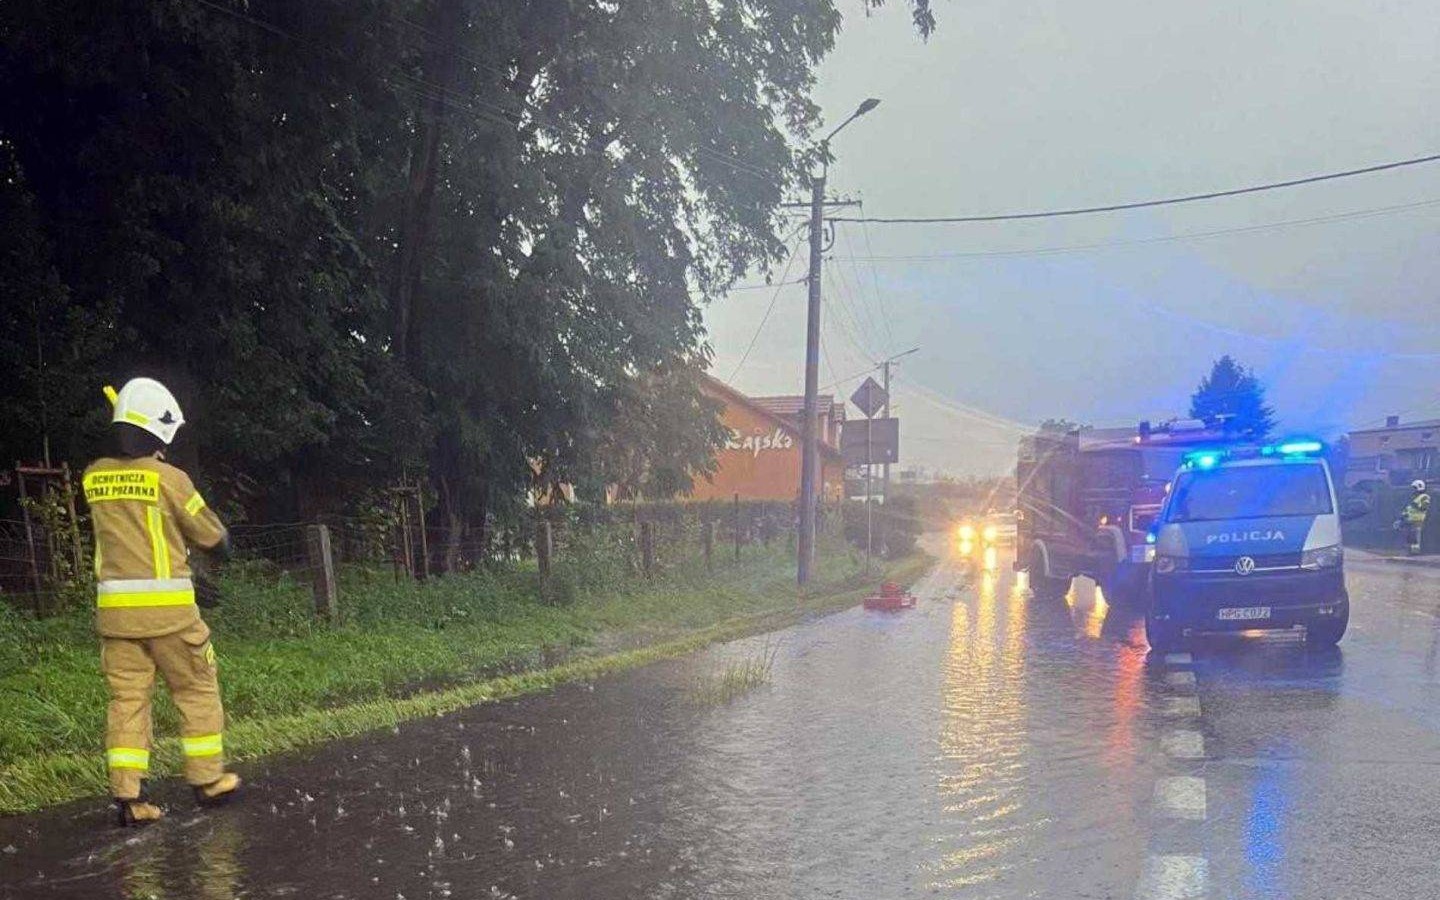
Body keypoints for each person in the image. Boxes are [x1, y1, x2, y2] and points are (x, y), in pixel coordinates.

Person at [82, 377, 240, 826]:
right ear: (160, 432)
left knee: (127, 701)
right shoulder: (170, 479)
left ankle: (130, 798)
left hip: (116, 620)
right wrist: (211, 556)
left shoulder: (94, 477)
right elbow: (212, 537)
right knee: (196, 689)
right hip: (171, 617)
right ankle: (208, 780)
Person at [1399, 479, 1431, 555]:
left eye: (1414, 488)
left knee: (1416, 536)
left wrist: (1416, 505)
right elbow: (1409, 509)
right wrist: (1403, 515)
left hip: (1417, 520)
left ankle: (1415, 552)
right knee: (1409, 536)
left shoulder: (1424, 497)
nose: (1413, 490)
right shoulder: (1414, 497)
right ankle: (1409, 551)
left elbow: (1424, 507)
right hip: (1409, 520)